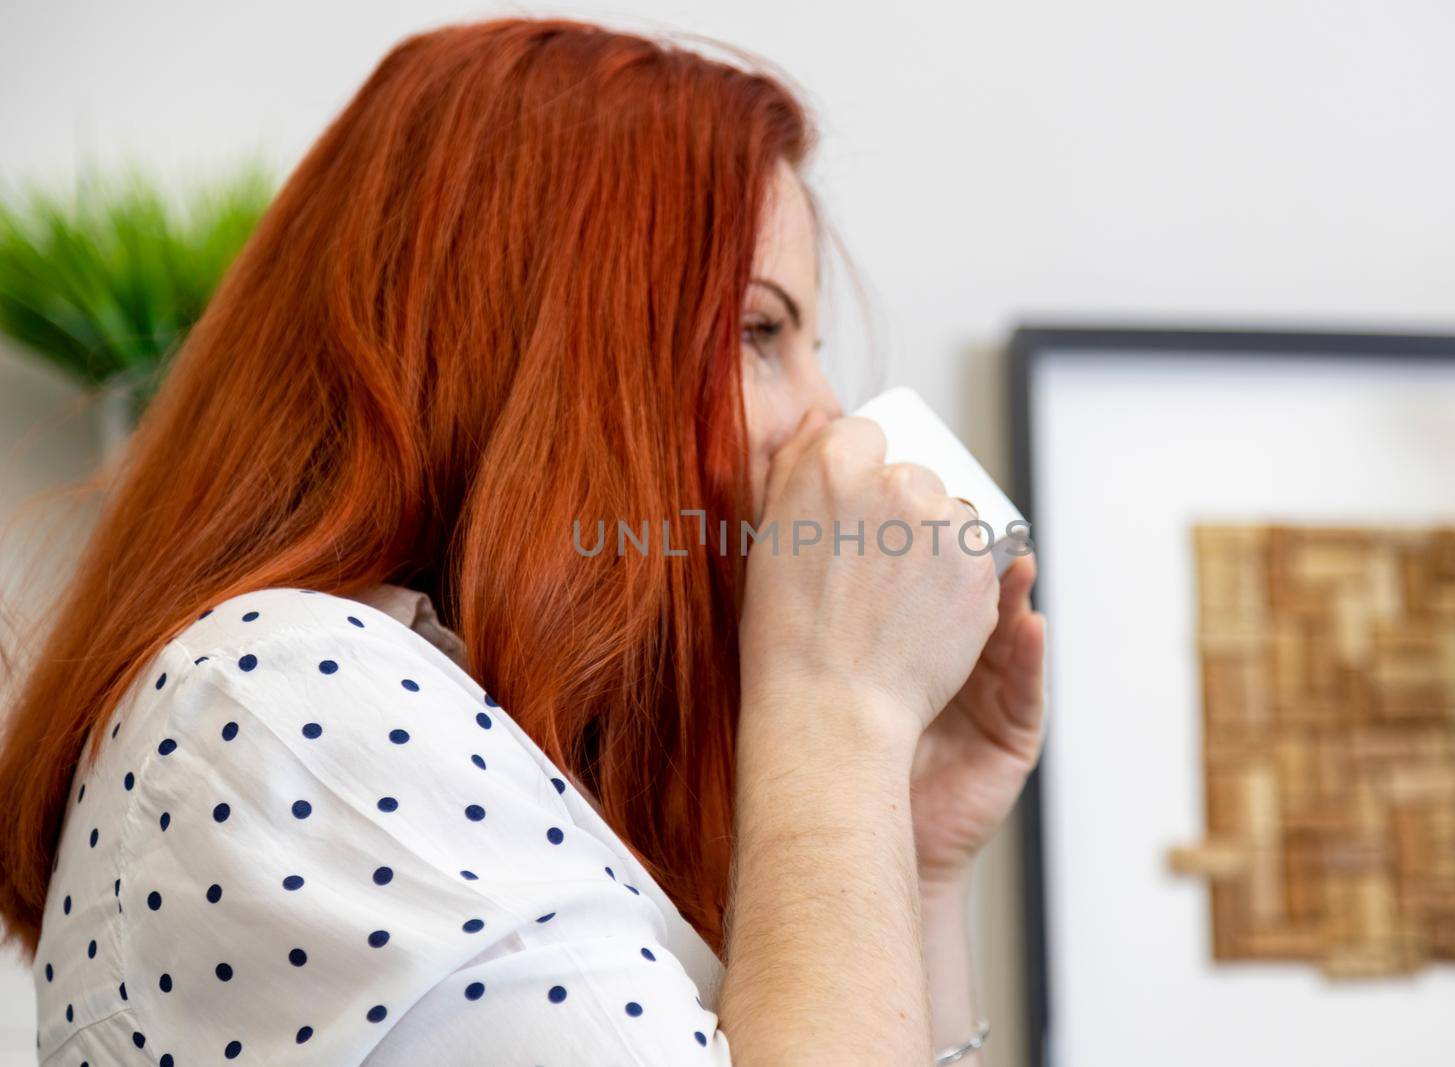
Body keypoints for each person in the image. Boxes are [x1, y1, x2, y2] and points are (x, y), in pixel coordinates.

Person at [0, 17, 1046, 1065]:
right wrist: (842, 715)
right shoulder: (288, 699)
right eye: (759, 332)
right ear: (539, 343)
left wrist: (905, 848)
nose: (827, 418)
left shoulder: (437, 738)